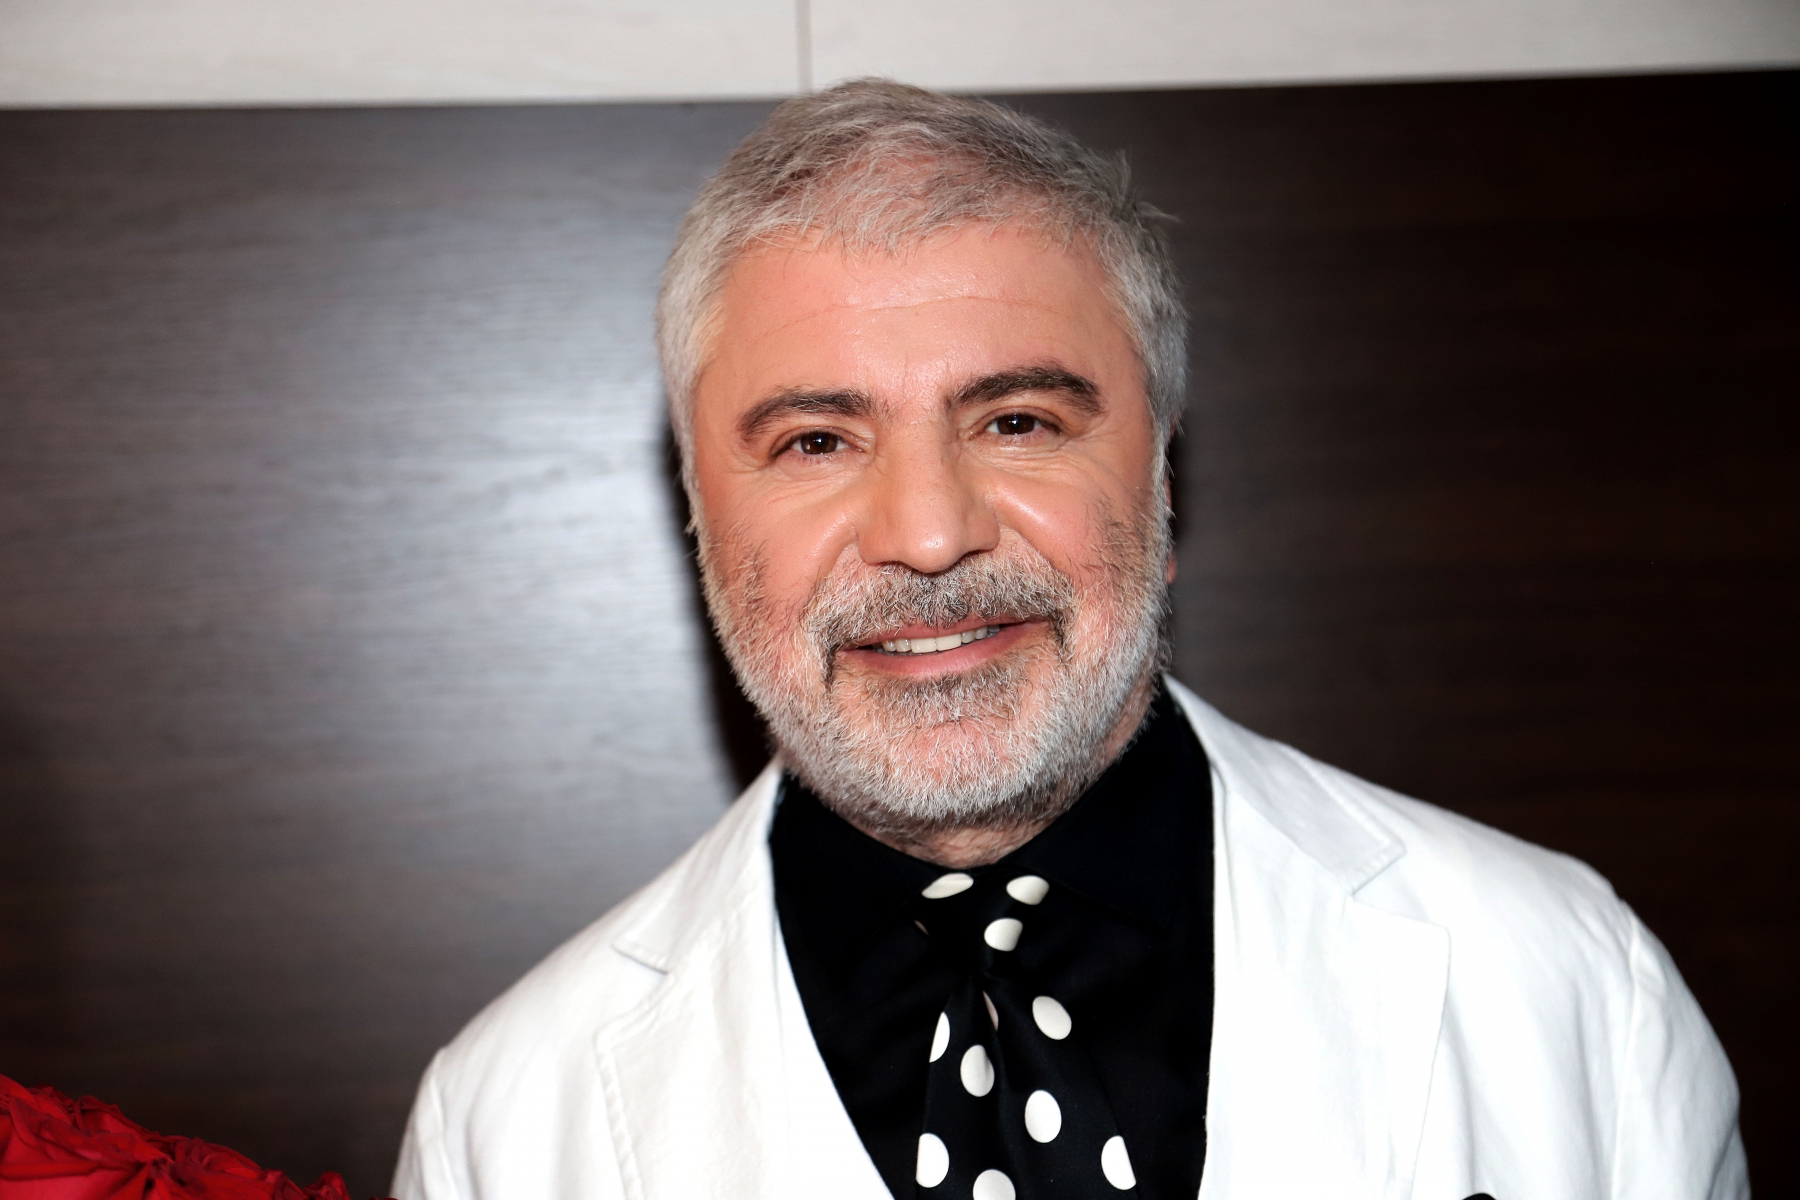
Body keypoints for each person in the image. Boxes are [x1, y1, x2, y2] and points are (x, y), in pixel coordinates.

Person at [390, 80, 1745, 1200]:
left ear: (1158, 469)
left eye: (1018, 421)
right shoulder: (500, 1128)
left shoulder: (1571, 987)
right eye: (816, 441)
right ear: (698, 510)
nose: (930, 535)